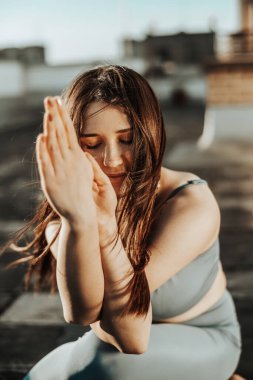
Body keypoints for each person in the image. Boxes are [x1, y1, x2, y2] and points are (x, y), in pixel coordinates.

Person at [2, 65, 244, 380]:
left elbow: (133, 339)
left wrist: (106, 233)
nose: (112, 159)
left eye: (127, 139)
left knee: (104, 364)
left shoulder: (190, 204)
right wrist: (80, 221)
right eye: (92, 144)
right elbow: (82, 312)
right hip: (116, 339)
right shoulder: (66, 214)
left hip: (203, 335)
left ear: (150, 131)